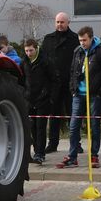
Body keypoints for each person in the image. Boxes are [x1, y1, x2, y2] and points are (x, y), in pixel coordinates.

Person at [56, 27, 101, 169]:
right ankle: (72, 157)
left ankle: (94, 155)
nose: (82, 43)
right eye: (80, 40)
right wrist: (73, 89)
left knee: (94, 126)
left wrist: (100, 90)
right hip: (78, 94)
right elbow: (72, 71)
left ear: (91, 38)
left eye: (84, 40)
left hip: (94, 95)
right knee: (73, 127)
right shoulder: (77, 52)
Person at [42, 12, 78, 153]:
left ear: (68, 23)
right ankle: (53, 144)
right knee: (54, 115)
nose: (60, 25)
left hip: (70, 83)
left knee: (72, 115)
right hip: (54, 84)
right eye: (57, 22)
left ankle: (76, 143)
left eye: (62, 22)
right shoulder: (48, 39)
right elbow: (44, 60)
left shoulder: (75, 39)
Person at [23, 39, 55, 164]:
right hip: (29, 99)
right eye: (26, 51)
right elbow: (22, 80)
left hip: (43, 99)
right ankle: (36, 151)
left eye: (31, 50)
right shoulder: (24, 62)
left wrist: (50, 97)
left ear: (36, 48)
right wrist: (24, 94)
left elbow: (54, 79)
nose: (29, 53)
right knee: (32, 127)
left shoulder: (45, 61)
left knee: (41, 127)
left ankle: (40, 153)